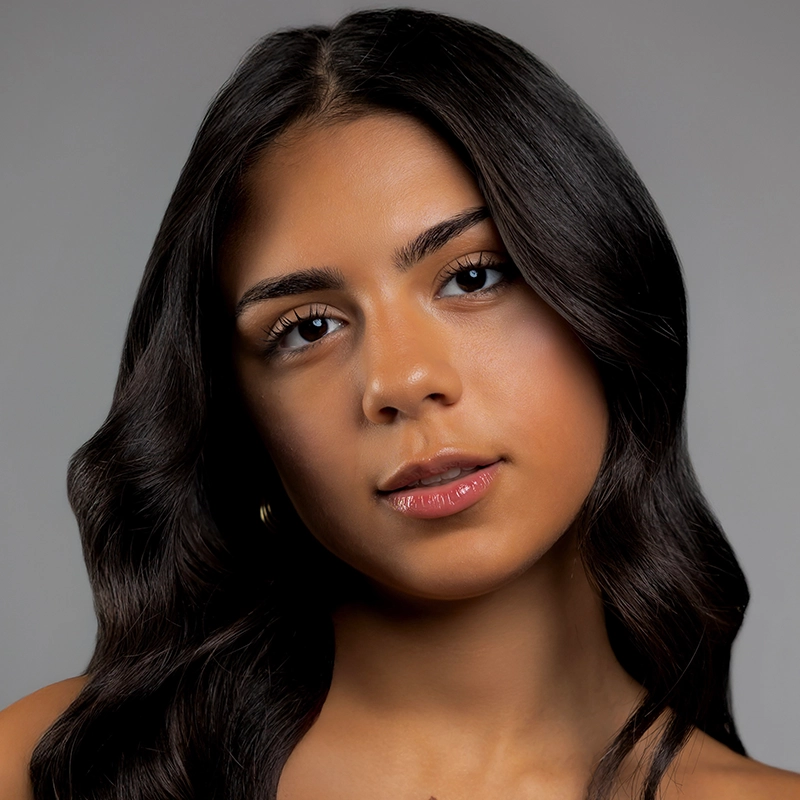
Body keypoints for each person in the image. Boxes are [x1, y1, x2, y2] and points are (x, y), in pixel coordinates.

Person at [0, 8, 797, 800]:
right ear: (240, 415)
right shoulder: (55, 768)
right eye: (307, 328)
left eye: (472, 276)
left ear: (603, 293)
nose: (400, 381)